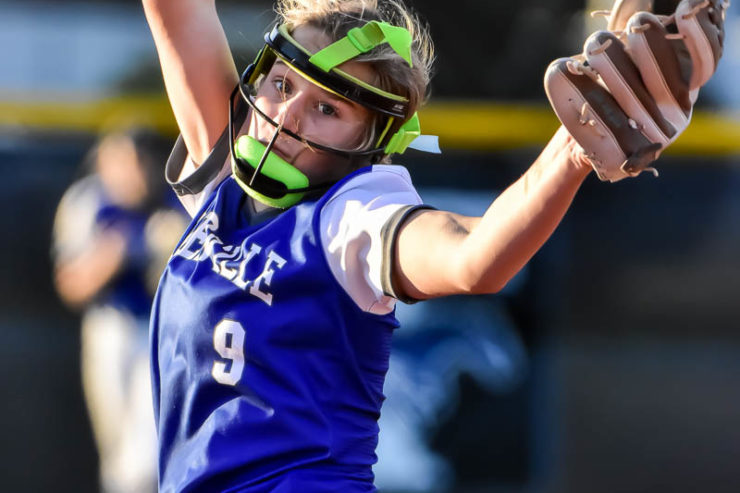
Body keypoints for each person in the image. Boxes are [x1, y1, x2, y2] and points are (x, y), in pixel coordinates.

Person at [140, 0, 671, 491]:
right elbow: (175, 12)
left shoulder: (351, 216)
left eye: (327, 108)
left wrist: (575, 144)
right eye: (282, 83)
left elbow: (473, 258)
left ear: (368, 145)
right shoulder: (225, 180)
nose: (287, 114)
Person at [52, 129, 187, 493]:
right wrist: (115, 255)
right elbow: (70, 285)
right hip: (109, 328)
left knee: (142, 461)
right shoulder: (88, 201)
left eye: (139, 160)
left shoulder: (175, 199)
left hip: (163, 332)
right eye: (120, 161)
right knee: (117, 458)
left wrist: (163, 251)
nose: (132, 171)